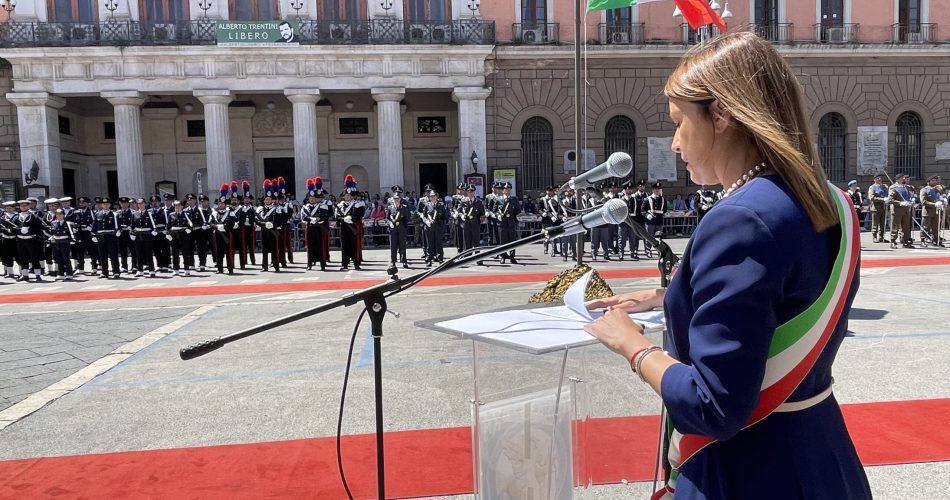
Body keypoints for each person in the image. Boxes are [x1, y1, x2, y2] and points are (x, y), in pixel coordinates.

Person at [584, 32, 870, 500]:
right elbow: (790, 293)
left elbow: (713, 405)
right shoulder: (831, 198)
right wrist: (669, 296)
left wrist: (632, 346)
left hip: (751, 468)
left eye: (679, 122)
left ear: (721, 114)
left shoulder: (740, 218)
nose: (674, 143)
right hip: (821, 453)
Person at [301, 179, 333, 271]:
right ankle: (309, 264)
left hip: (319, 228)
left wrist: (318, 219)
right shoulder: (305, 207)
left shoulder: (321, 206)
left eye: (313, 198)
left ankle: (323, 263)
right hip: (310, 228)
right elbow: (304, 217)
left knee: (320, 246)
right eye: (310, 198)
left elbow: (324, 216)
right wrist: (311, 219)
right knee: (310, 247)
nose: (312, 199)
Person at [336, 175, 365, 270]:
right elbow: (337, 216)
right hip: (344, 227)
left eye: (349, 195)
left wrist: (352, 218)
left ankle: (356, 263)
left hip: (353, 227)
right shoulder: (340, 205)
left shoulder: (357, 204)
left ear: (352, 196)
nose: (347, 197)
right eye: (346, 195)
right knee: (344, 246)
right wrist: (342, 219)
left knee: (354, 245)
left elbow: (360, 214)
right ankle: (344, 263)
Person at [92, 196, 121, 279]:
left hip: (111, 237)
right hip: (101, 237)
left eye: (107, 204)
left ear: (110, 205)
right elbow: (94, 226)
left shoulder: (114, 214)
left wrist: (118, 231)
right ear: (101, 205)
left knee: (113, 255)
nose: (105, 205)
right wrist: (93, 235)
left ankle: (116, 271)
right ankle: (104, 272)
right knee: (102, 255)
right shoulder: (98, 214)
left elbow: (118, 225)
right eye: (104, 204)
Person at [130, 197, 156, 278]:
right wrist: (132, 233)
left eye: (142, 203)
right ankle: (140, 270)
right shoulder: (134, 214)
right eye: (139, 204)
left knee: (148, 253)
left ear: (145, 204)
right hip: (138, 236)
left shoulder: (149, 213)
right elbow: (132, 226)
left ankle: (151, 270)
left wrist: (153, 231)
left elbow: (153, 225)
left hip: (147, 235)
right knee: (139, 253)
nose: (140, 205)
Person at [386, 186, 411, 269]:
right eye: (395, 199)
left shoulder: (404, 207)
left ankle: (404, 261)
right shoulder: (390, 207)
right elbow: (387, 217)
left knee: (402, 245)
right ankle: (393, 261)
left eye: (398, 199)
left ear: (400, 199)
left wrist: (402, 224)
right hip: (393, 228)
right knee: (393, 245)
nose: (396, 200)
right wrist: (390, 223)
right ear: (393, 199)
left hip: (401, 228)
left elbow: (408, 217)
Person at [888, 173, 915, 248]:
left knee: (905, 227)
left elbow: (909, 196)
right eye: (902, 178)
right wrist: (900, 203)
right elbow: (890, 200)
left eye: (904, 178)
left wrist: (911, 200)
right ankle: (893, 241)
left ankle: (905, 241)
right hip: (897, 210)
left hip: (906, 210)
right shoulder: (893, 187)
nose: (904, 179)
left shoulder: (906, 187)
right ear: (897, 179)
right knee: (895, 226)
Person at [496, 182, 521, 264]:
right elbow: (494, 210)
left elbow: (518, 210)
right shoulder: (499, 199)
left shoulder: (514, 199)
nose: (507, 190)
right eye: (506, 189)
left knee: (512, 240)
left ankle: (512, 257)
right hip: (502, 223)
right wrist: (498, 215)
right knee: (503, 240)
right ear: (503, 190)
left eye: (509, 189)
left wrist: (513, 216)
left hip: (511, 222)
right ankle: (503, 256)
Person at [48, 208, 75, 280]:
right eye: (57, 214)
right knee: (58, 258)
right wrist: (51, 237)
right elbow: (52, 232)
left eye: (60, 214)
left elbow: (71, 233)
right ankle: (61, 273)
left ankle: (69, 273)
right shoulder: (53, 223)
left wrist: (72, 240)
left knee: (65, 258)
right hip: (56, 242)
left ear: (63, 215)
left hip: (65, 242)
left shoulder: (67, 223)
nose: (59, 216)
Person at [642, 182, 666, 258]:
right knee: (649, 237)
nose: (657, 190)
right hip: (650, 221)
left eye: (658, 189)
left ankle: (659, 251)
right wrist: (647, 215)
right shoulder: (647, 199)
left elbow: (664, 210)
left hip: (659, 221)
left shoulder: (663, 199)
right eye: (655, 189)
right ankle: (648, 250)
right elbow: (643, 210)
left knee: (659, 237)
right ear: (652, 190)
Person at [919, 174, 944, 246]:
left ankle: (936, 240)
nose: (935, 182)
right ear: (928, 182)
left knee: (936, 227)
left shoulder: (937, 190)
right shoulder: (924, 190)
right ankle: (923, 240)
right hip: (927, 212)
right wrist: (934, 204)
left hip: (936, 211)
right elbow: (923, 202)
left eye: (935, 180)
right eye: (933, 181)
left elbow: (939, 198)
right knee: (925, 227)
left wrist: (942, 201)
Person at [421, 190, 444, 266]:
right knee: (429, 244)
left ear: (436, 197)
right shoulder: (427, 206)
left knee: (439, 244)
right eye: (431, 196)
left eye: (434, 196)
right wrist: (426, 222)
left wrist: (441, 220)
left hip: (438, 226)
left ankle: (440, 258)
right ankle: (429, 259)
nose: (433, 198)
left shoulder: (440, 205)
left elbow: (445, 216)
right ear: (430, 198)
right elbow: (424, 216)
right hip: (429, 227)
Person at [866, 173, 888, 243]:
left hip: (884, 207)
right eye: (877, 178)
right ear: (874, 180)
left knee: (883, 223)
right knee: (875, 223)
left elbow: (888, 194)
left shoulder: (884, 187)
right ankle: (874, 237)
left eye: (880, 178)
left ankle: (881, 237)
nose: (879, 179)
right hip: (876, 207)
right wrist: (882, 199)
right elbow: (871, 197)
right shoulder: (872, 187)